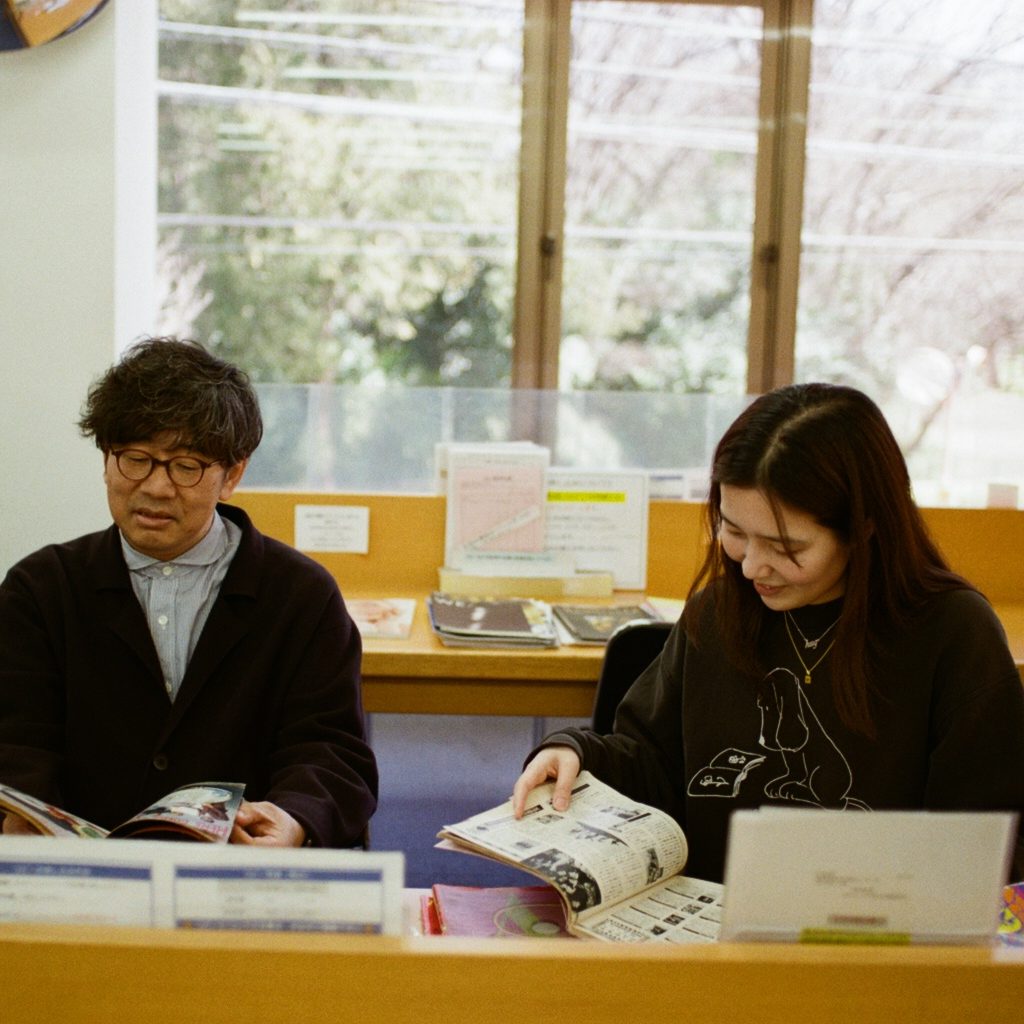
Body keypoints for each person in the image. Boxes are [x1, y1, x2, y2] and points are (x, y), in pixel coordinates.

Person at [513, 383, 1024, 883]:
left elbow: (983, 845)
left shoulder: (952, 634)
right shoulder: (719, 612)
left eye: (785, 547)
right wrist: (576, 753)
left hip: (874, 940)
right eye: (734, 532)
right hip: (713, 935)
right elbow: (651, 762)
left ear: (865, 529)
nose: (752, 566)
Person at [0, 337, 377, 847]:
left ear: (232, 475)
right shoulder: (40, 590)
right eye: (135, 458)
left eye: (186, 465)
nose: (156, 487)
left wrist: (295, 819)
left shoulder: (301, 597)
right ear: (106, 458)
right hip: (84, 882)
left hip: (242, 878)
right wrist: (24, 816)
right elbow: (19, 741)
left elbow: (329, 749)